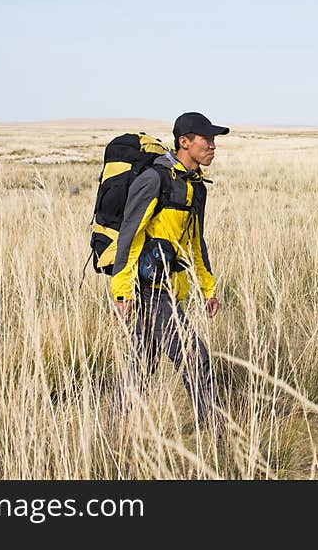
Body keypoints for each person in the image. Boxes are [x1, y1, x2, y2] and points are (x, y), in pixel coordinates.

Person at [110, 111, 229, 433]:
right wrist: (121, 291)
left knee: (141, 362)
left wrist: (208, 288)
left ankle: (112, 427)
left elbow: (195, 241)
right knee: (195, 356)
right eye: (207, 139)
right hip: (150, 288)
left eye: (214, 140)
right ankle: (216, 431)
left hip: (170, 285)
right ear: (184, 142)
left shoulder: (195, 187)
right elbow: (129, 235)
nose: (213, 146)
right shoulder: (155, 180)